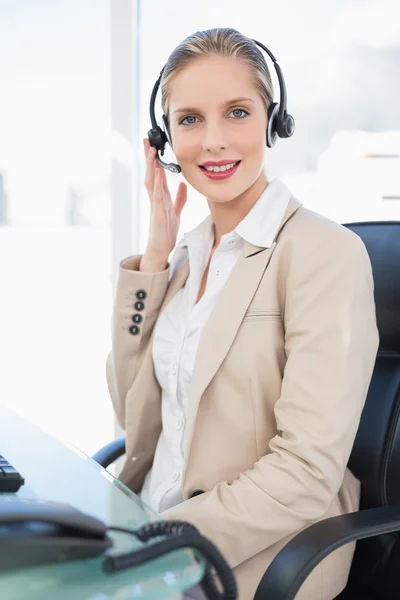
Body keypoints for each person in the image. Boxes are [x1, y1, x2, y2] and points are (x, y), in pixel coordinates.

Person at [106, 28, 379, 600]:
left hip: (256, 555)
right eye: (189, 119)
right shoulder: (182, 259)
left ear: (271, 122)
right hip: (152, 531)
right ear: (166, 140)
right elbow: (135, 422)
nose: (213, 141)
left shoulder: (323, 253)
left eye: (236, 112)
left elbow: (307, 469)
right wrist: (153, 263)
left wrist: (166, 537)